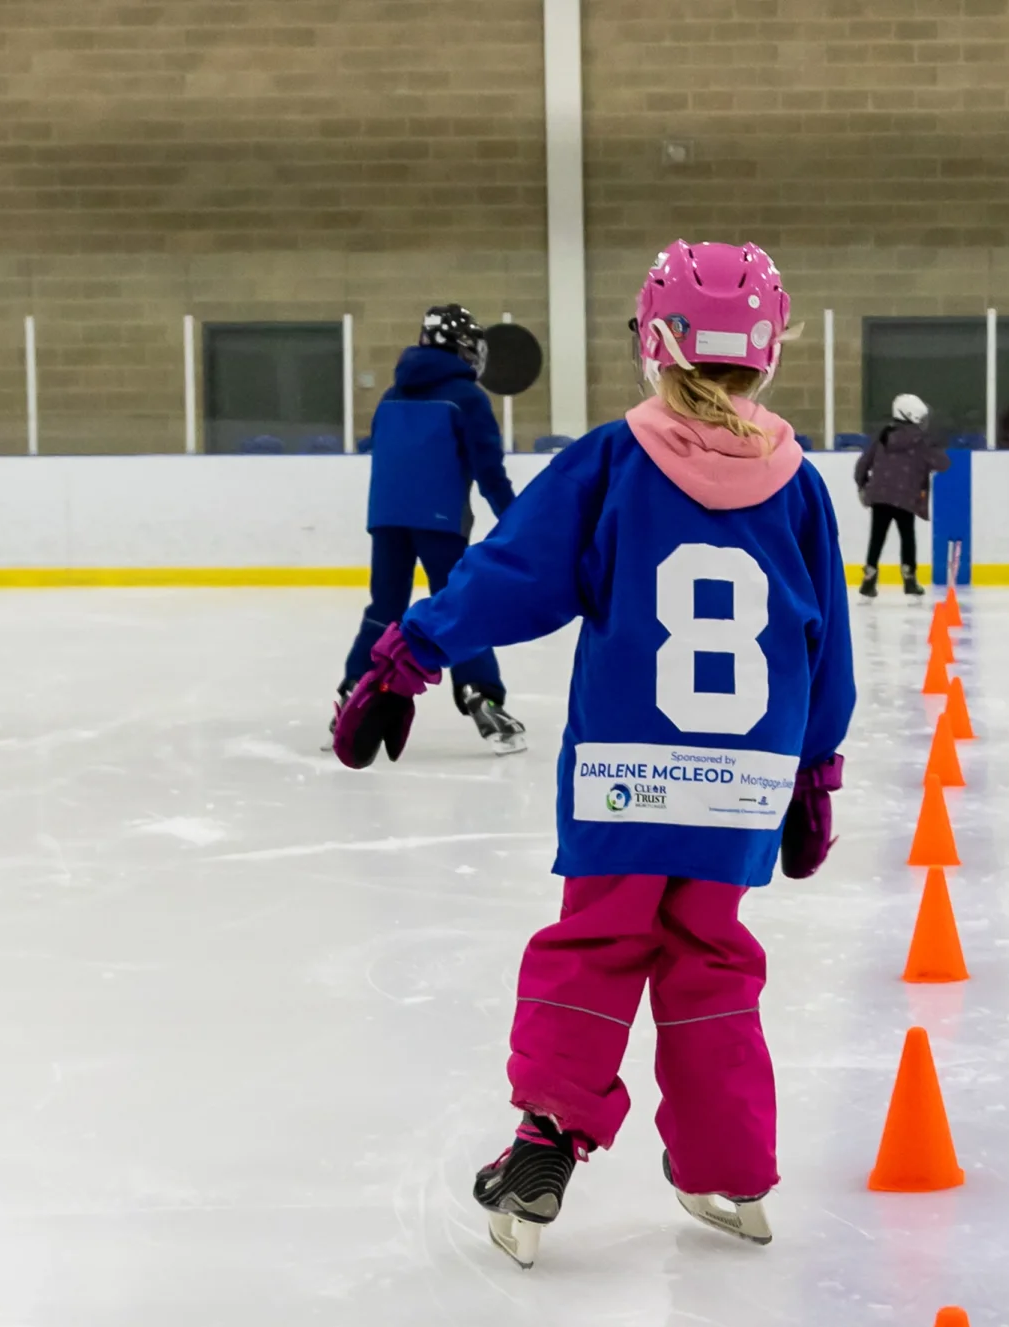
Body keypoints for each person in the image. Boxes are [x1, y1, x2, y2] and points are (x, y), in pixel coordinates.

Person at [330, 239, 855, 1271]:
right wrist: (815, 768)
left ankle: (543, 1150)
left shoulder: (614, 459)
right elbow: (823, 640)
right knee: (711, 955)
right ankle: (731, 1167)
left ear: (653, 344)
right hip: (743, 779)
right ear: (766, 352)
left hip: (627, 770)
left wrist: (407, 654)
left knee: (599, 943)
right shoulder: (797, 488)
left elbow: (512, 574)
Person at [339, 304, 527, 753]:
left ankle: (353, 693)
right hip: (440, 520)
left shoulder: (390, 395)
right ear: (463, 349)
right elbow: (489, 471)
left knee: (384, 608)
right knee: (460, 605)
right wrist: (521, 520)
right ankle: (479, 695)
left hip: (386, 517)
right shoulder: (466, 398)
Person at [853, 393, 949, 597]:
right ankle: (909, 579)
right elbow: (942, 464)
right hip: (906, 497)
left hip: (880, 495)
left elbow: (863, 463)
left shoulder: (882, 436)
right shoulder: (921, 441)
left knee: (877, 536)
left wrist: (862, 484)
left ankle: (869, 579)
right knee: (907, 536)